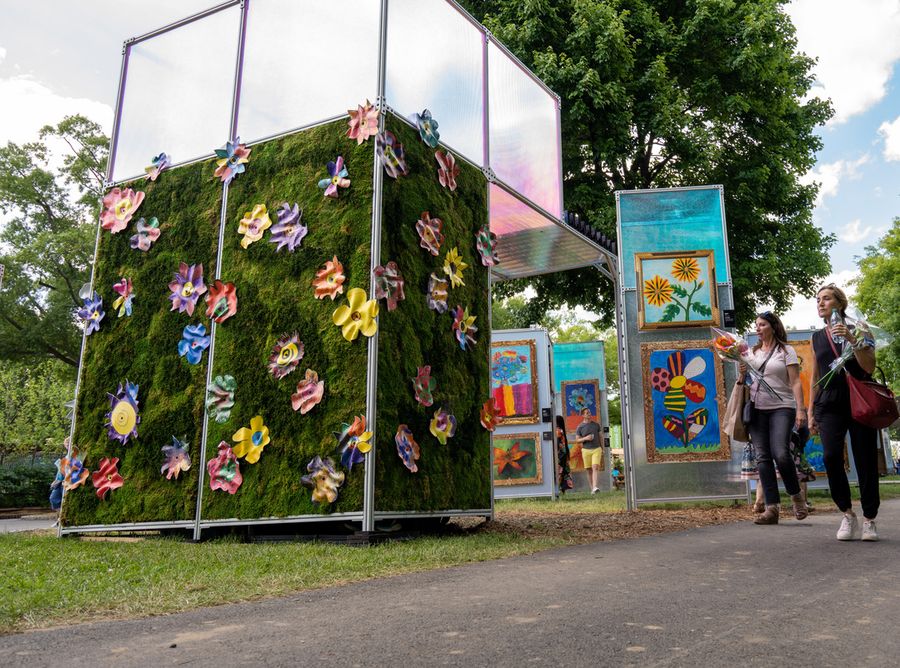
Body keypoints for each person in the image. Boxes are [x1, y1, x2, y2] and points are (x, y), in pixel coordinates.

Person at [808, 284, 879, 541]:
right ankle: (847, 513)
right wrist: (810, 410)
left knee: (865, 459)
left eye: (826, 298)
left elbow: (869, 367)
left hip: (859, 399)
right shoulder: (816, 337)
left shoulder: (859, 327)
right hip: (829, 402)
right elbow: (815, 376)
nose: (821, 303)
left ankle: (870, 518)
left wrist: (852, 340)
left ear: (839, 302)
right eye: (818, 300)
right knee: (829, 456)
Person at [740, 311, 808, 524]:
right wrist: (742, 372)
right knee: (762, 457)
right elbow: (745, 382)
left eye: (762, 325)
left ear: (773, 326)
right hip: (757, 409)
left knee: (780, 453)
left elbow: (795, 381)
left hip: (782, 407)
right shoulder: (752, 353)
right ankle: (772, 509)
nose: (757, 329)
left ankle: (796, 496)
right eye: (756, 325)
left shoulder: (786, 350)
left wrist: (801, 409)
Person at [574, 407, 604, 494]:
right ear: (583, 415)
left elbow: (600, 437)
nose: (589, 414)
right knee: (589, 470)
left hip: (596, 449)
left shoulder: (596, 425)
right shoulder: (580, 427)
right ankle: (592, 489)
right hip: (586, 450)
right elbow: (577, 440)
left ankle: (595, 487)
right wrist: (586, 438)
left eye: (589, 412)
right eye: (587, 413)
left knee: (595, 467)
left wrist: (602, 448)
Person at [555, 415, 573, 495]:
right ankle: (562, 491)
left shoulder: (558, 430)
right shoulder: (562, 430)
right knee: (563, 473)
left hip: (559, 455)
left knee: (559, 473)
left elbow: (559, 444)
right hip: (563, 455)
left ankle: (557, 490)